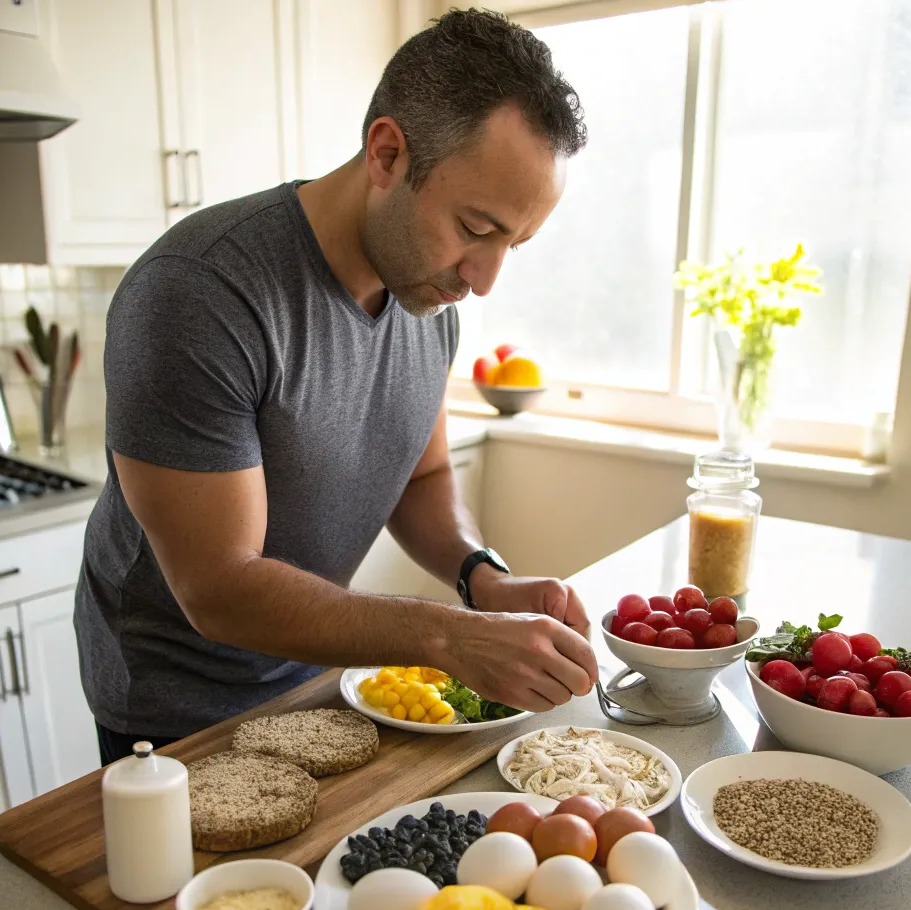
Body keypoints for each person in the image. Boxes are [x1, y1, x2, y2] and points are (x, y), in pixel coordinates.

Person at [75, 8, 596, 766]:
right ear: (387, 152)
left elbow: (426, 473)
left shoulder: (426, 294)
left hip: (320, 677)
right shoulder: (198, 294)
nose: (485, 280)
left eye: (514, 244)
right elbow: (218, 586)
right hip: (176, 715)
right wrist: (449, 634)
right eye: (477, 228)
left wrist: (480, 577)